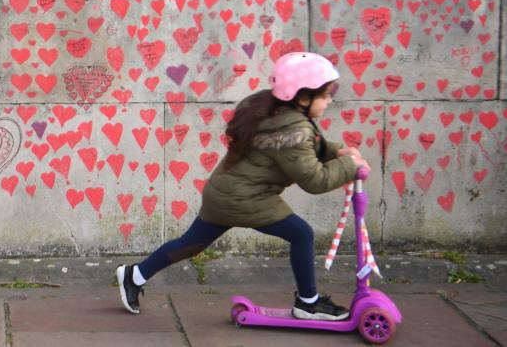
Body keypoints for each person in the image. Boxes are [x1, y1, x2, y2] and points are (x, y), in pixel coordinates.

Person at [116, 52, 369, 320]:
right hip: (246, 199)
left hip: (226, 192)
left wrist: (338, 152)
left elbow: (307, 149)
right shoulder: (292, 130)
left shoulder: (274, 109)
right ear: (303, 97)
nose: (330, 100)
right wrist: (350, 167)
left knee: (191, 244)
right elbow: (315, 179)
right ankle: (308, 303)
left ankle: (135, 275)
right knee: (301, 234)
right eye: (326, 94)